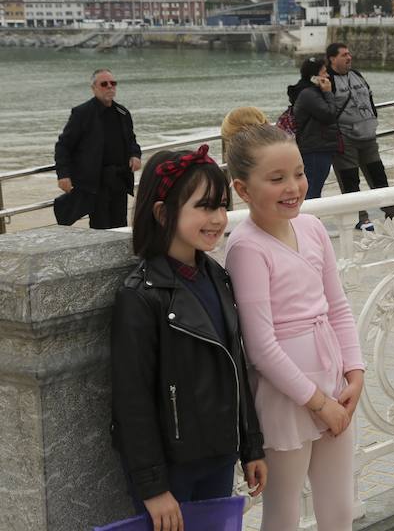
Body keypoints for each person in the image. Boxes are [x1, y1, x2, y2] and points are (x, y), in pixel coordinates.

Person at [110, 145, 267, 531]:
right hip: (172, 471)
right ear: (163, 212)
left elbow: (236, 369)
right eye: (204, 207)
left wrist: (251, 447)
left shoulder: (218, 277)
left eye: (221, 206)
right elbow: (132, 402)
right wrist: (153, 487)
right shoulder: (141, 295)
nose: (217, 219)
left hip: (219, 457)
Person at [222, 122, 365, 531]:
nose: (293, 187)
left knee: (338, 506)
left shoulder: (312, 227)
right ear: (243, 190)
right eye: (277, 179)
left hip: (334, 381)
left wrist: (354, 373)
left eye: (299, 173)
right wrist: (319, 403)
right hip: (288, 396)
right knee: (283, 511)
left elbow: (337, 307)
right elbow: (262, 346)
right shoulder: (247, 246)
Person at [326, 42, 394, 231]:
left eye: (349, 54)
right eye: (343, 55)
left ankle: (391, 210)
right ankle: (359, 217)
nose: (348, 57)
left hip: (368, 136)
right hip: (345, 139)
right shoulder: (328, 80)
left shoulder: (356, 75)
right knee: (350, 179)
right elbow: (325, 108)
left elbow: (369, 98)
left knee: (378, 175)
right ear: (332, 59)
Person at [54, 68, 142, 229]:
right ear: (94, 88)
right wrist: (63, 174)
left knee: (120, 227)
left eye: (113, 83)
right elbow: (63, 146)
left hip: (119, 180)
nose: (110, 87)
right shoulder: (82, 113)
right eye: (104, 84)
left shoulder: (122, 112)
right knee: (100, 229)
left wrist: (135, 155)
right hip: (95, 184)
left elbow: (131, 141)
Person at [293, 57, 339, 200]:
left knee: (314, 188)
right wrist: (328, 92)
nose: (327, 76)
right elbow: (329, 114)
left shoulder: (312, 92)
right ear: (314, 76)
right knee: (312, 189)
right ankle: (309, 220)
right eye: (324, 72)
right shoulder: (309, 94)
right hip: (314, 148)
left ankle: (311, 220)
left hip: (320, 146)